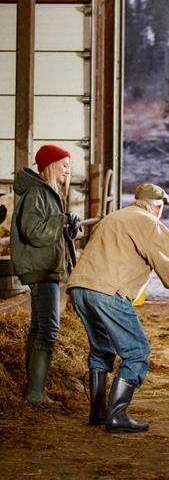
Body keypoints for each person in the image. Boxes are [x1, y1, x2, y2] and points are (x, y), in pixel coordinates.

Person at [67, 183, 169, 434]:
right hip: (108, 292)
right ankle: (116, 416)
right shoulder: (150, 224)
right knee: (137, 351)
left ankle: (97, 412)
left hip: (79, 288)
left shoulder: (113, 217)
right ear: (157, 206)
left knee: (101, 349)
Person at [11, 144, 81, 403]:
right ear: (50, 166)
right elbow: (34, 232)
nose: (67, 170)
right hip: (41, 268)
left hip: (46, 266)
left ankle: (34, 389)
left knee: (39, 327)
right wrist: (61, 220)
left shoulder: (49, 193)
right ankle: (36, 392)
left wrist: (68, 225)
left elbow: (52, 229)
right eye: (64, 165)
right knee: (49, 328)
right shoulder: (37, 194)